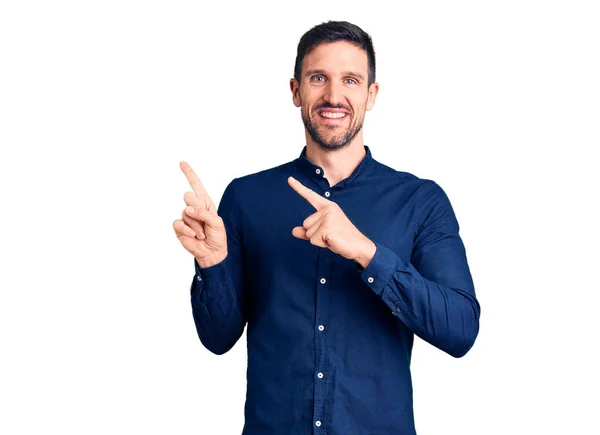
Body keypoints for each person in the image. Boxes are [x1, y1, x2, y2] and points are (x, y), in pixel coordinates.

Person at [173, 20, 480, 435]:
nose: (334, 96)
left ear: (371, 94)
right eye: (319, 78)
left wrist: (367, 253)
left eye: (350, 80)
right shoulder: (247, 197)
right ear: (296, 91)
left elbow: (460, 330)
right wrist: (212, 263)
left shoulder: (420, 201)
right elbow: (217, 338)